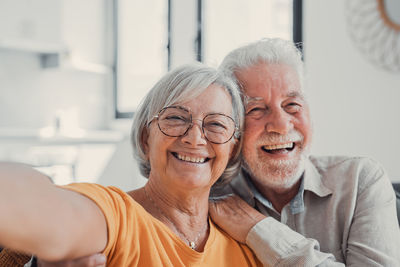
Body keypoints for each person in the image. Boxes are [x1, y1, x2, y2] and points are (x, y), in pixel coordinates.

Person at [0, 63, 266, 266]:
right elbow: (50, 212)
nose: (194, 138)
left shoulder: (246, 245)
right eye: (175, 118)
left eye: (216, 124)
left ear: (232, 149)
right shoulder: (117, 216)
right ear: (145, 138)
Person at [208, 38, 400, 266]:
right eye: (256, 109)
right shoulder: (211, 196)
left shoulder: (361, 180)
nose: (281, 125)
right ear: (233, 124)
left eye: (292, 105)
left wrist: (258, 229)